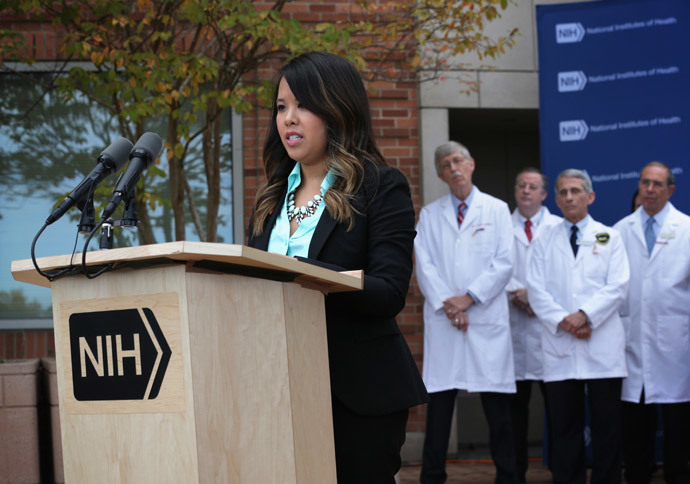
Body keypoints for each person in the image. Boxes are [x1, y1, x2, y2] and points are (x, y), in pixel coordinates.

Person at [246, 51, 428, 483]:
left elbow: (388, 292)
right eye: (281, 107)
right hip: (275, 388)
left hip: (356, 393)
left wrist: (307, 274)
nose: (289, 118)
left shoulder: (381, 186)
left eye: (303, 105)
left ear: (337, 108)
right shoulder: (270, 199)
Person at [415, 141, 518, 484]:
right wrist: (449, 302)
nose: (453, 168)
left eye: (458, 160)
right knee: (440, 410)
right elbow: (424, 265)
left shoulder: (497, 209)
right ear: (440, 174)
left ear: (471, 164)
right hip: (447, 321)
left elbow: (505, 262)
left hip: (484, 318)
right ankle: (432, 476)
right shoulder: (430, 215)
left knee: (498, 413)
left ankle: (509, 476)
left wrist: (469, 298)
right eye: (445, 164)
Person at [526, 169, 629, 484]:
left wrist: (584, 315)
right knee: (565, 429)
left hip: (602, 345)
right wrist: (565, 321)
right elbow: (535, 289)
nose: (569, 197)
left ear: (590, 196)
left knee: (607, 429)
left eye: (575, 191)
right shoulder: (544, 240)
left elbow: (618, 285)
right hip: (561, 346)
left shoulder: (610, 236)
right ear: (555, 199)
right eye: (563, 192)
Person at [613, 161, 690, 484]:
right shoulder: (619, 230)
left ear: (670, 190)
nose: (650, 189)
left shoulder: (687, 228)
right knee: (636, 429)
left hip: (676, 346)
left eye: (657, 184)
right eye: (645, 182)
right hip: (632, 343)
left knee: (677, 429)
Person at [505, 168, 560, 482]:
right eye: (522, 185)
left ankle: (561, 470)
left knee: (558, 411)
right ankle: (516, 473)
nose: (526, 191)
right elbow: (493, 262)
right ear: (516, 191)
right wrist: (517, 292)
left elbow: (564, 272)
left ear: (543, 194)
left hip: (549, 332)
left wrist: (534, 296)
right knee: (515, 413)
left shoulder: (557, 227)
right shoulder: (502, 225)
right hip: (513, 328)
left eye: (533, 187)